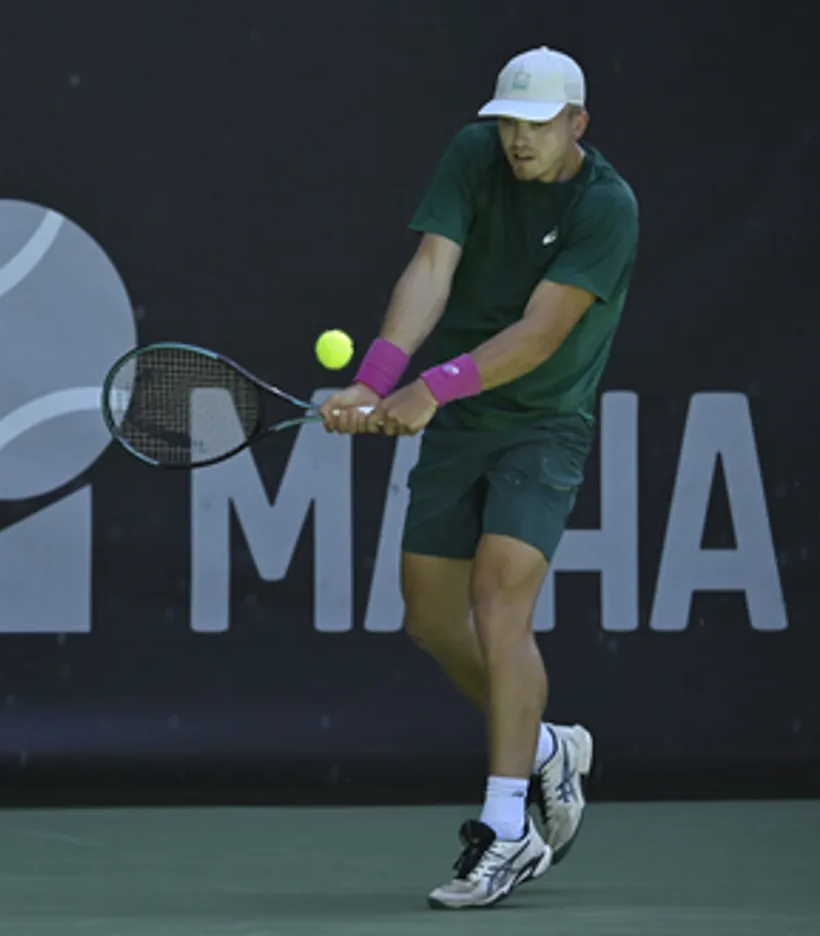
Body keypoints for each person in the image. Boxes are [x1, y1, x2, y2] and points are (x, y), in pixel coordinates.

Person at [320, 45, 640, 909]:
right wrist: (378, 381)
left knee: (501, 600)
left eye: (538, 127)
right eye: (509, 125)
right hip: (462, 422)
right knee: (429, 617)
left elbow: (541, 333)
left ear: (577, 123)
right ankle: (543, 749)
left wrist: (431, 387)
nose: (519, 143)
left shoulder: (607, 208)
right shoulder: (474, 154)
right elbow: (432, 269)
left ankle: (507, 830)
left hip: (544, 424)